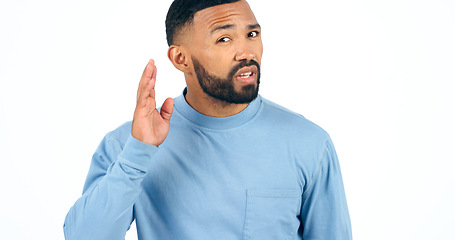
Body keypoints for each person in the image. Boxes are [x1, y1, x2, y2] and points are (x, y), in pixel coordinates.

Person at [63, 0, 352, 239]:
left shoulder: (309, 143)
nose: (247, 52)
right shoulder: (129, 144)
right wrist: (138, 152)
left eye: (252, 34)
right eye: (224, 39)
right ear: (180, 59)